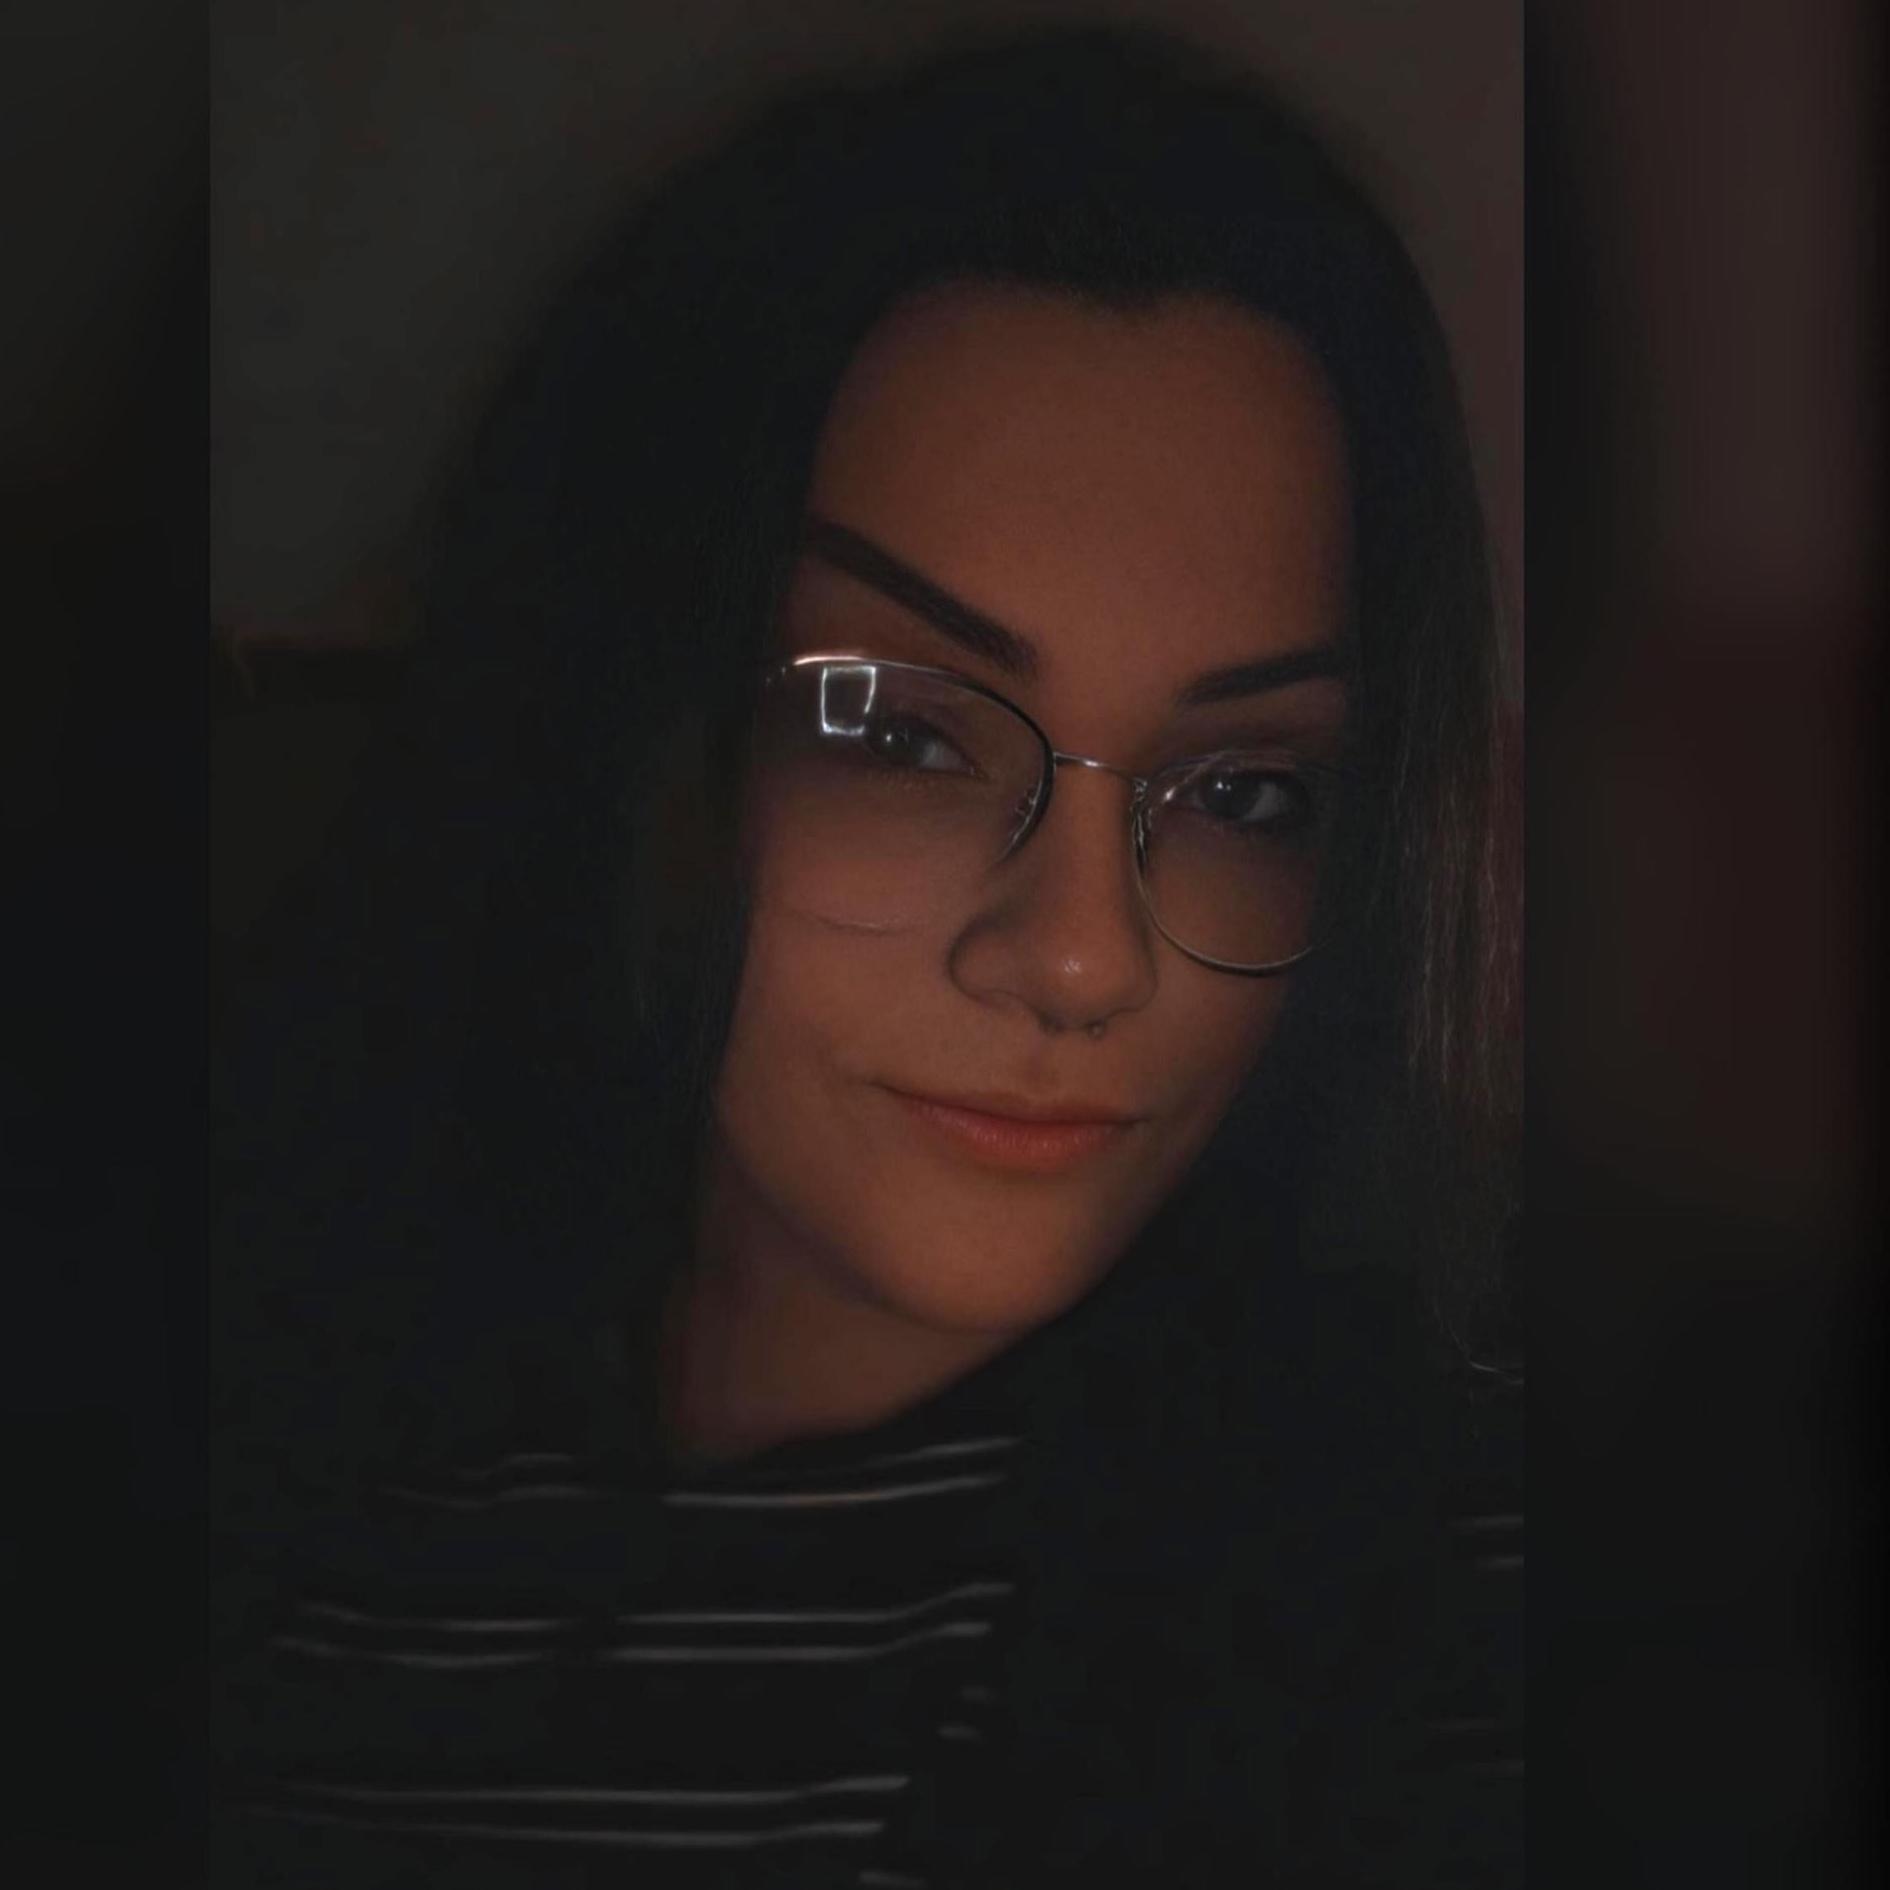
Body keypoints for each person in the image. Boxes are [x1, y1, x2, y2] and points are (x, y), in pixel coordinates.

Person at [211, 24, 1520, 1887]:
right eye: (896, 735)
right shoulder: (249, 1477)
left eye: (1246, 789)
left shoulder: (1479, 1598)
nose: (1083, 961)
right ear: (623, 725)